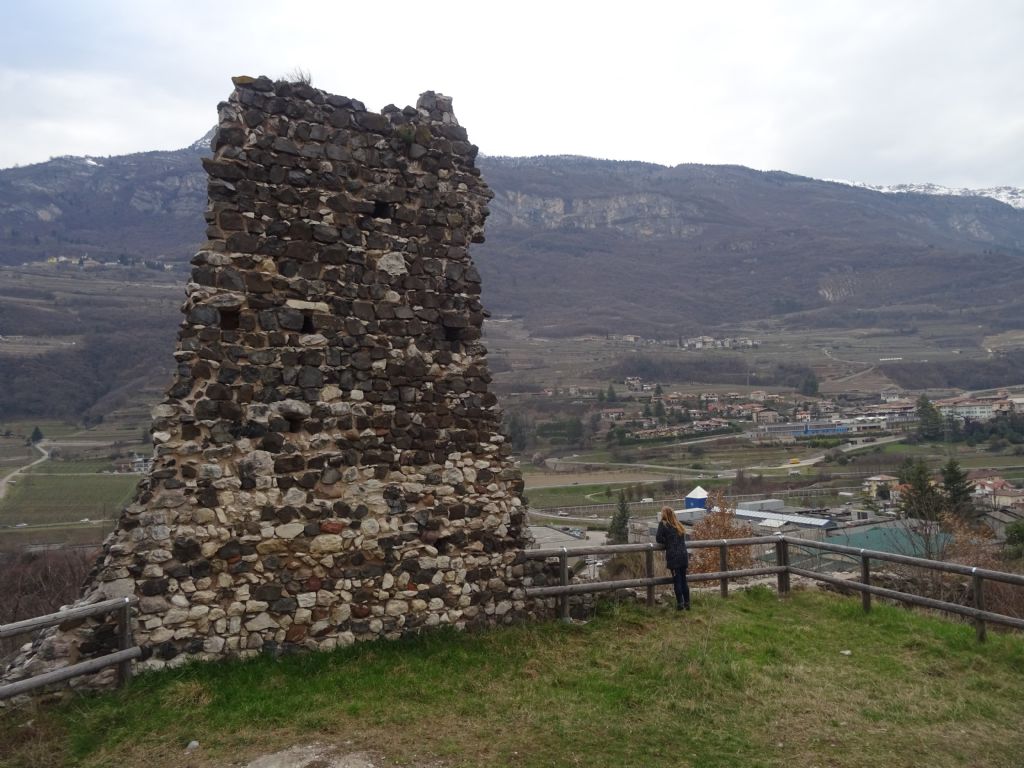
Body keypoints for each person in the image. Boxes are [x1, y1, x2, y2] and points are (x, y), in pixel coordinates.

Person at [655, 505, 690, 610]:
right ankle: (687, 603)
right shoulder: (678, 525)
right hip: (683, 555)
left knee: (677, 581)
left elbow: (658, 538)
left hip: (674, 557)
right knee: (684, 580)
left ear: (664, 514)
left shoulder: (663, 524)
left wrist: (667, 542)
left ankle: (680, 604)